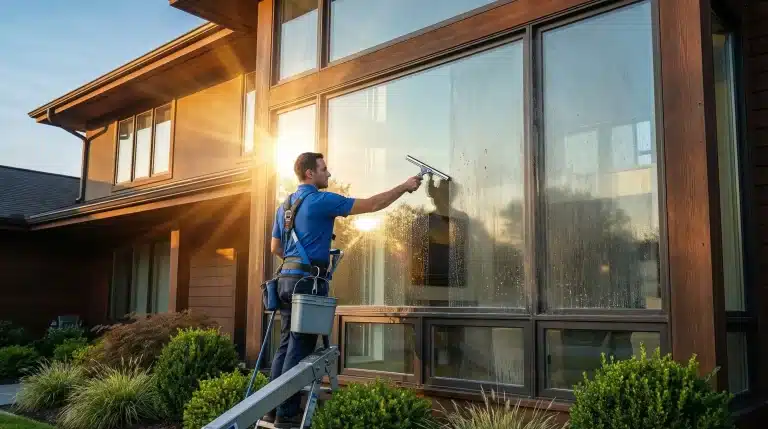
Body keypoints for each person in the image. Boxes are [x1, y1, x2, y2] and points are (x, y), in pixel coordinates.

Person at [263, 152, 422, 427]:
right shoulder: (321, 201)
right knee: (299, 349)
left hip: (286, 281)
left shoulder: (284, 206)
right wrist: (404, 187)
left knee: (286, 344)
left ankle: (270, 410)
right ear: (310, 173)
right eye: (324, 169)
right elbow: (373, 204)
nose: (329, 174)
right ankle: (286, 417)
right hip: (307, 284)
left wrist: (296, 262)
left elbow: (275, 248)